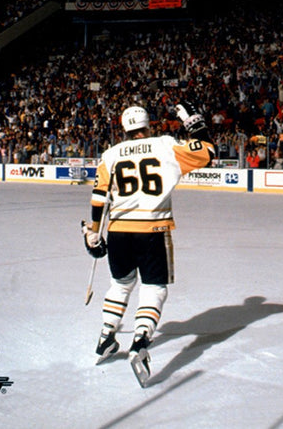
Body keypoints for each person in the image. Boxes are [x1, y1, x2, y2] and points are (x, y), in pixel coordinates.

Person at [82, 101, 215, 387]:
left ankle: (106, 337)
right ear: (148, 125)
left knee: (120, 284)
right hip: (153, 228)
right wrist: (193, 122)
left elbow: (99, 198)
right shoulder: (165, 145)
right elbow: (207, 152)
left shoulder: (111, 154)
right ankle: (140, 340)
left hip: (118, 230)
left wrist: (93, 233)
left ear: (125, 129)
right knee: (154, 287)